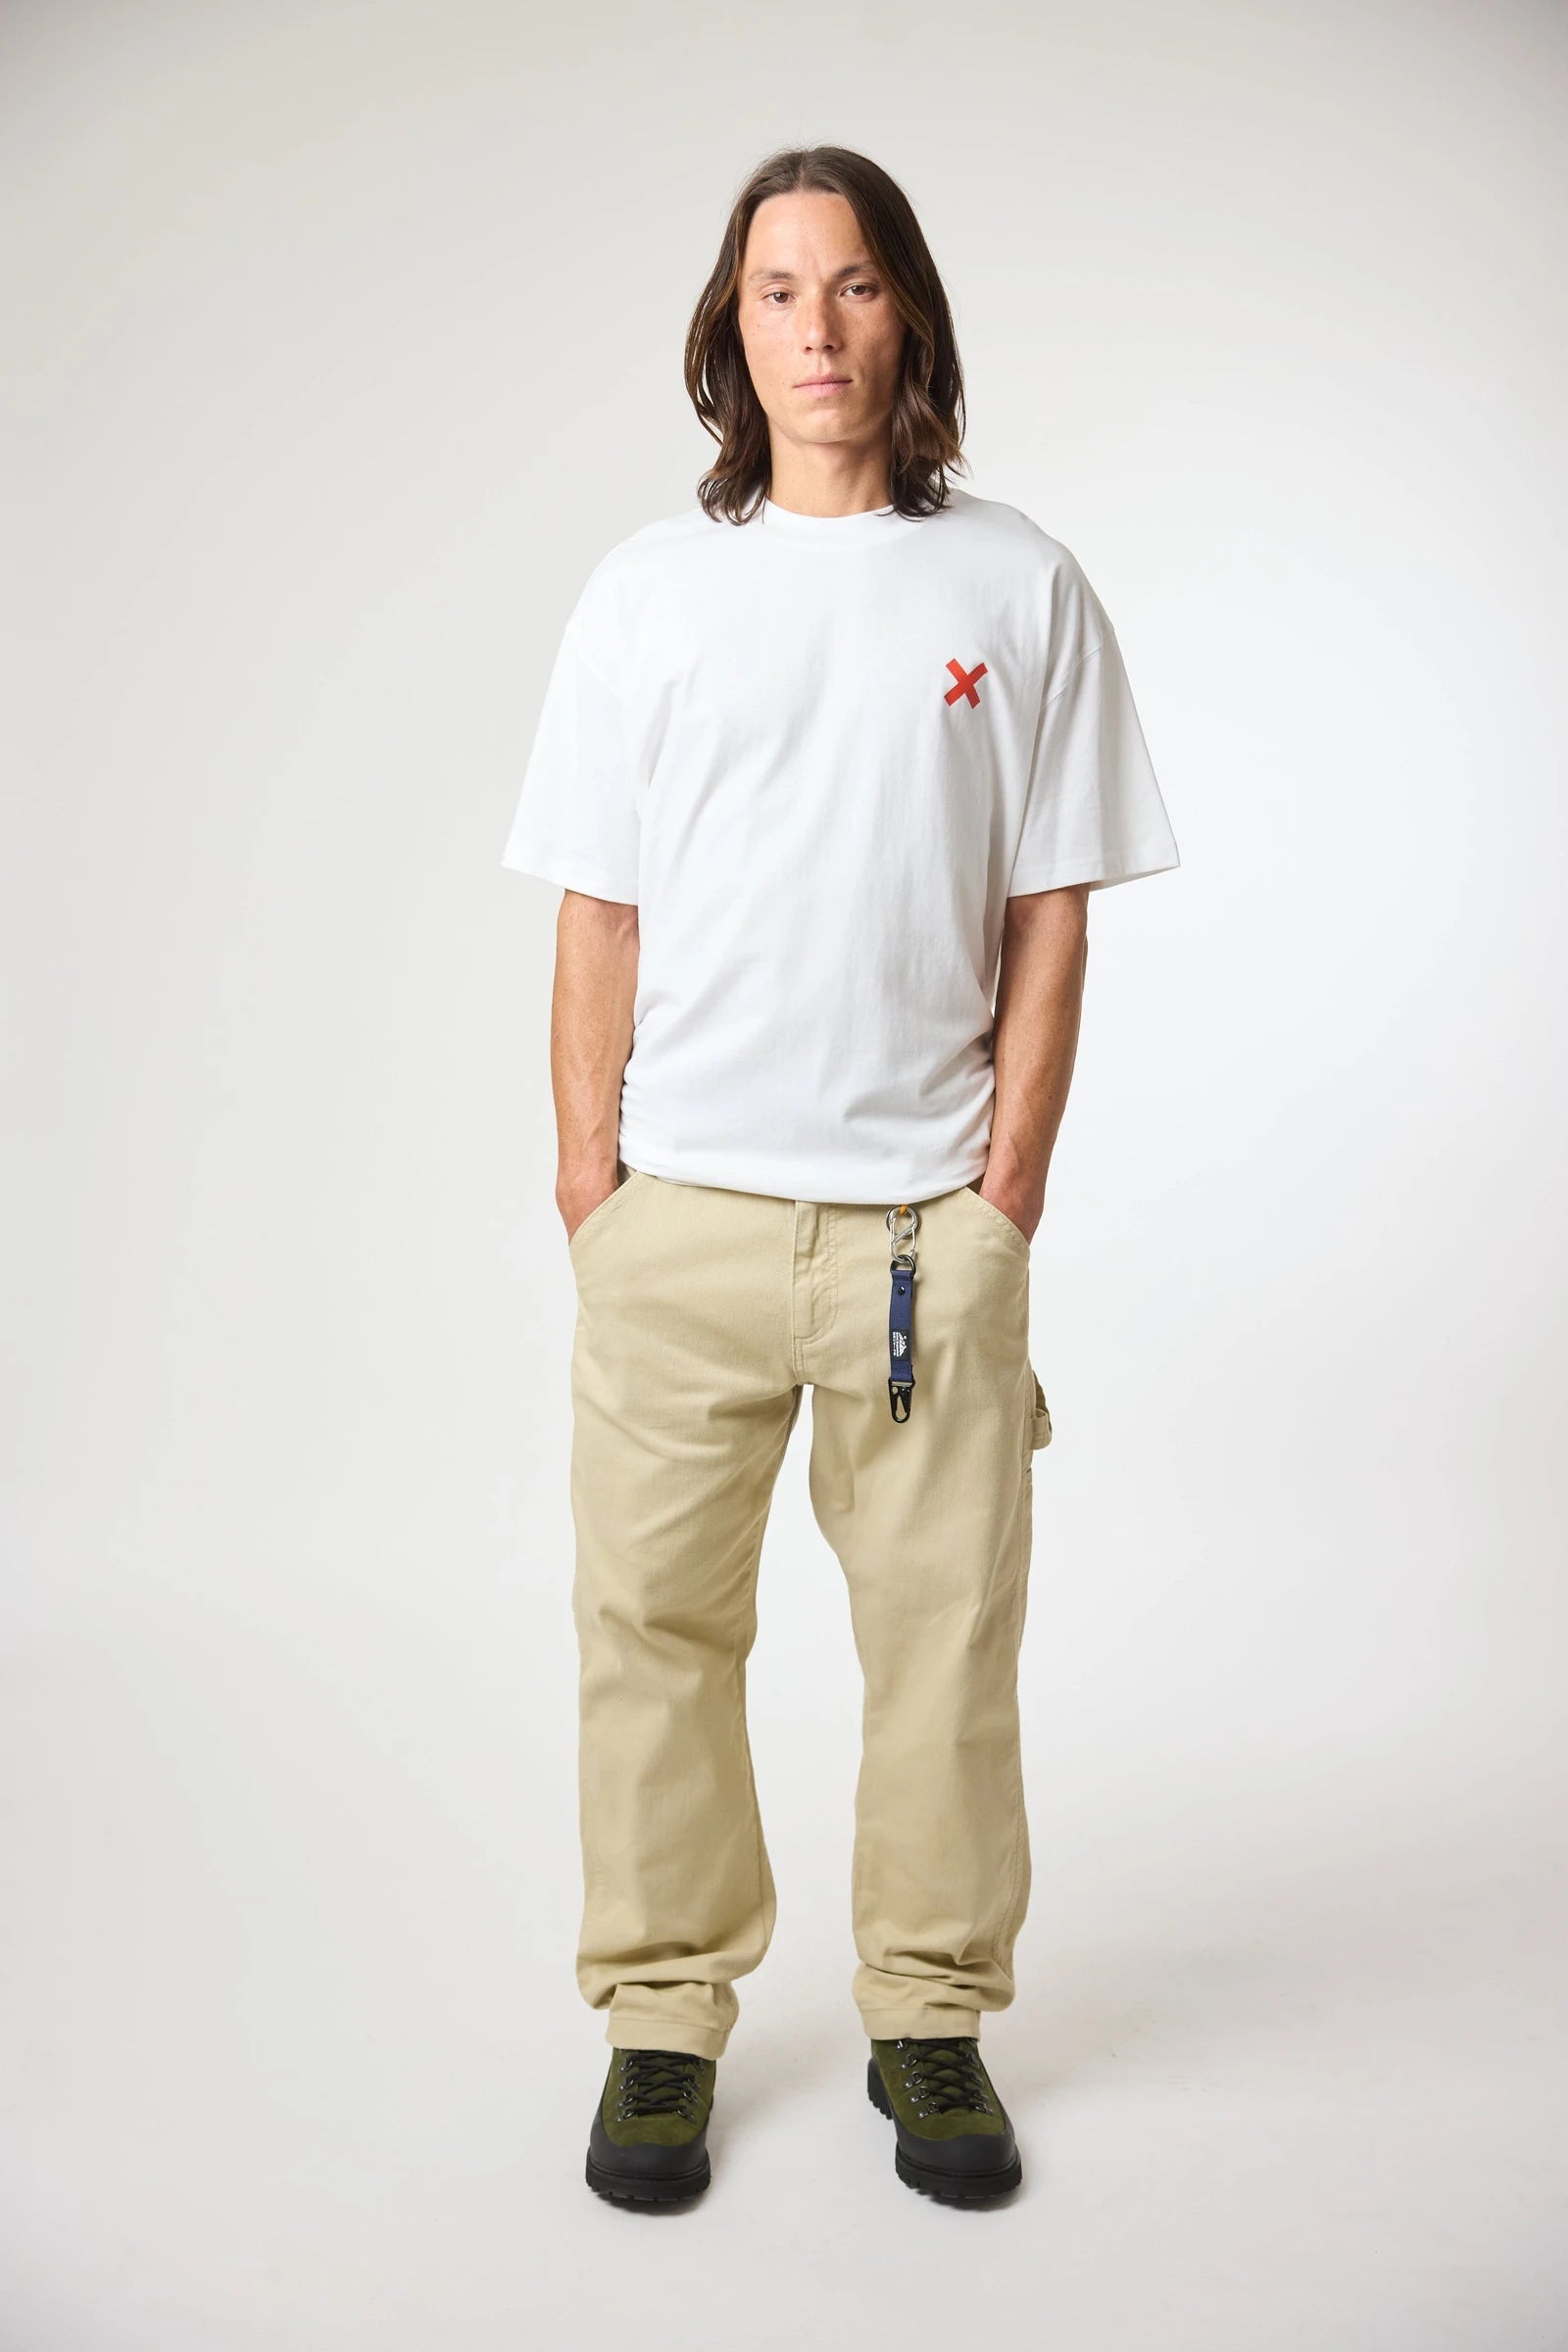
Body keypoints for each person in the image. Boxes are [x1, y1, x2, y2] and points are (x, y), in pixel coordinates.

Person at [501, 144, 1180, 2207]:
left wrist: (1003, 1199)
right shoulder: (647, 592)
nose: (817, 326)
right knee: (650, 1636)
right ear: (732, 329)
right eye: (778, 289)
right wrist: (592, 1191)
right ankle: (660, 2022)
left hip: (919, 1236)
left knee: (944, 1650)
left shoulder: (1015, 584)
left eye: (856, 283)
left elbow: (1050, 909)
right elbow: (598, 909)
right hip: (680, 1225)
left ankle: (928, 2018)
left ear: (909, 315)